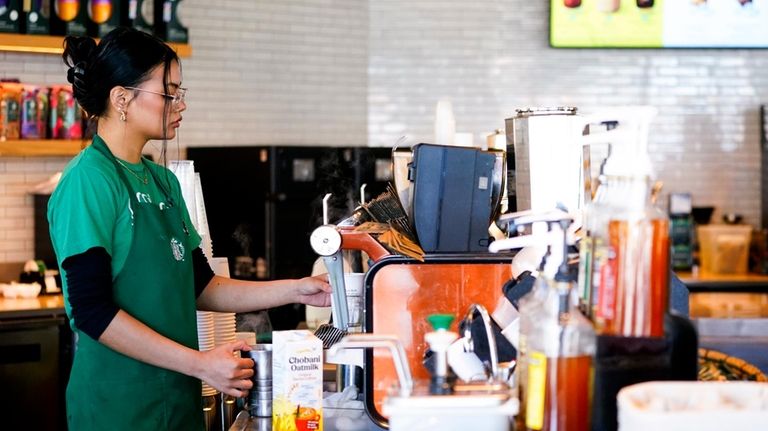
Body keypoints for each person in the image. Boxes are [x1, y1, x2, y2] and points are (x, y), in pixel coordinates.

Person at [47, 27, 331, 431]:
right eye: (169, 93)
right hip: (119, 410)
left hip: (178, 404)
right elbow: (91, 311)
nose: (180, 104)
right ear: (121, 98)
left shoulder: (164, 182)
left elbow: (202, 286)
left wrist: (296, 288)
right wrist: (201, 364)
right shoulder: (87, 181)